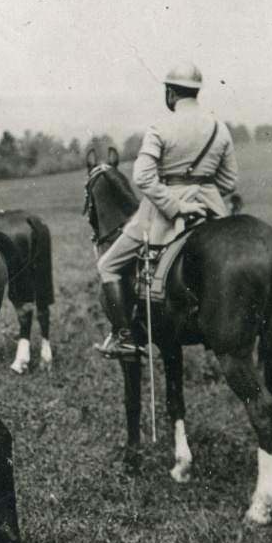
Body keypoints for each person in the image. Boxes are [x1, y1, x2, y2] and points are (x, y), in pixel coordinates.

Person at [95, 62, 239, 359]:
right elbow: (229, 180)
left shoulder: (160, 127)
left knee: (107, 265)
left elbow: (143, 177)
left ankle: (124, 337)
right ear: (196, 92)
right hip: (211, 209)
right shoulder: (219, 127)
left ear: (171, 92)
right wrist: (203, 197)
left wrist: (177, 204)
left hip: (163, 213)